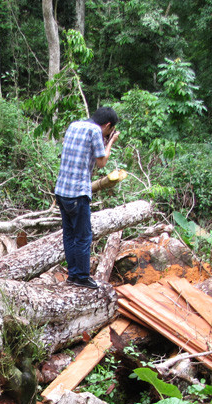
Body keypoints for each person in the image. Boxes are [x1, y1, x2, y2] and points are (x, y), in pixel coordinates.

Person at [54, 106, 120, 290]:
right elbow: (101, 163)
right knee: (83, 236)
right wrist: (111, 141)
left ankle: (73, 274)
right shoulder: (95, 131)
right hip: (77, 192)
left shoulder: (75, 125)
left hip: (61, 190)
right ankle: (81, 277)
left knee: (69, 234)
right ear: (107, 125)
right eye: (110, 130)